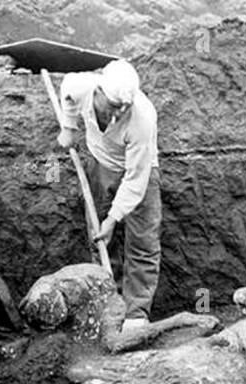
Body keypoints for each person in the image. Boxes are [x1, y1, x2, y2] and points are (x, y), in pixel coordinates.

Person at [56, 59, 161, 330]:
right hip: (100, 163)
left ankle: (136, 314)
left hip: (140, 170)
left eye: (123, 108)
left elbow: (136, 180)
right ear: (99, 92)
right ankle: (108, 305)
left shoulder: (142, 117)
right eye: (113, 107)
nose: (118, 114)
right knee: (100, 240)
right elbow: (66, 90)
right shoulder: (81, 86)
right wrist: (68, 128)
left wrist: (114, 218)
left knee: (142, 243)